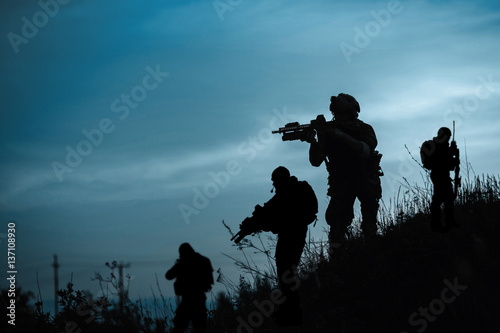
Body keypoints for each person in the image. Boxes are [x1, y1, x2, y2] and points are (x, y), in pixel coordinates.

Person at [234, 166, 318, 326]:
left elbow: (273, 214)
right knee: (286, 274)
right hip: (293, 235)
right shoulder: (289, 192)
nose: (274, 185)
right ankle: (289, 310)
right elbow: (270, 214)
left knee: (286, 273)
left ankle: (293, 313)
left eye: (275, 182)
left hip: (292, 236)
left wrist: (257, 220)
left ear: (280, 180)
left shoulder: (288, 193)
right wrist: (255, 221)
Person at [307, 93, 383, 248]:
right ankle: (338, 259)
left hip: (365, 178)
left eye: (342, 113)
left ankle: (372, 250)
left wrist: (342, 136)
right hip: (341, 182)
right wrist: (316, 141)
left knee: (369, 219)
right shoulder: (330, 133)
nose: (339, 117)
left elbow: (365, 150)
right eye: (337, 114)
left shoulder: (364, 129)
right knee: (337, 222)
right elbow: (315, 161)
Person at [166, 243, 214, 333]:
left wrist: (178, 264)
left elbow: (169, 275)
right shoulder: (204, 261)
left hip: (188, 300)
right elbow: (209, 284)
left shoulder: (183, 263)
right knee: (200, 327)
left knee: (179, 327)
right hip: (199, 299)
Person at [420, 127, 460, 232]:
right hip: (438, 174)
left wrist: (452, 155)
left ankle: (446, 222)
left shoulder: (443, 147)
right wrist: (450, 152)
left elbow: (450, 165)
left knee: (447, 198)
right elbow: (441, 160)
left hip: (443, 174)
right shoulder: (435, 146)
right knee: (440, 199)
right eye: (447, 136)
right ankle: (438, 224)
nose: (448, 139)